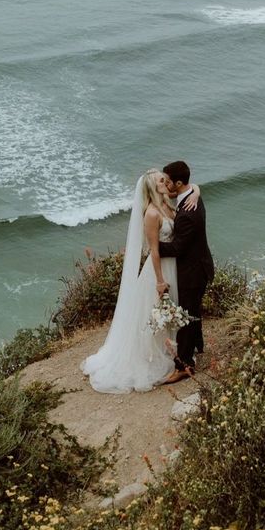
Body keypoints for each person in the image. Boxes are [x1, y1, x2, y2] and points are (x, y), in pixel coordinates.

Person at [81, 170, 199, 393]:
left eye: (165, 178)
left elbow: (189, 189)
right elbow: (154, 251)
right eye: (161, 180)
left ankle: (175, 352)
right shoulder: (152, 214)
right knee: (155, 314)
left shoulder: (166, 203)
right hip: (160, 269)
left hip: (175, 265)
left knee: (173, 310)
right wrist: (159, 280)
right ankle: (154, 355)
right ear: (153, 187)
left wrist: (196, 191)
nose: (166, 182)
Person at [157, 160, 214, 385]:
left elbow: (177, 248)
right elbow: (194, 187)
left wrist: (152, 246)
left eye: (168, 182)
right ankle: (198, 345)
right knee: (193, 310)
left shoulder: (188, 213)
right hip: (199, 266)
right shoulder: (190, 195)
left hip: (193, 271)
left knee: (186, 318)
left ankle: (184, 366)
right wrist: (197, 190)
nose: (166, 185)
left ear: (179, 183)